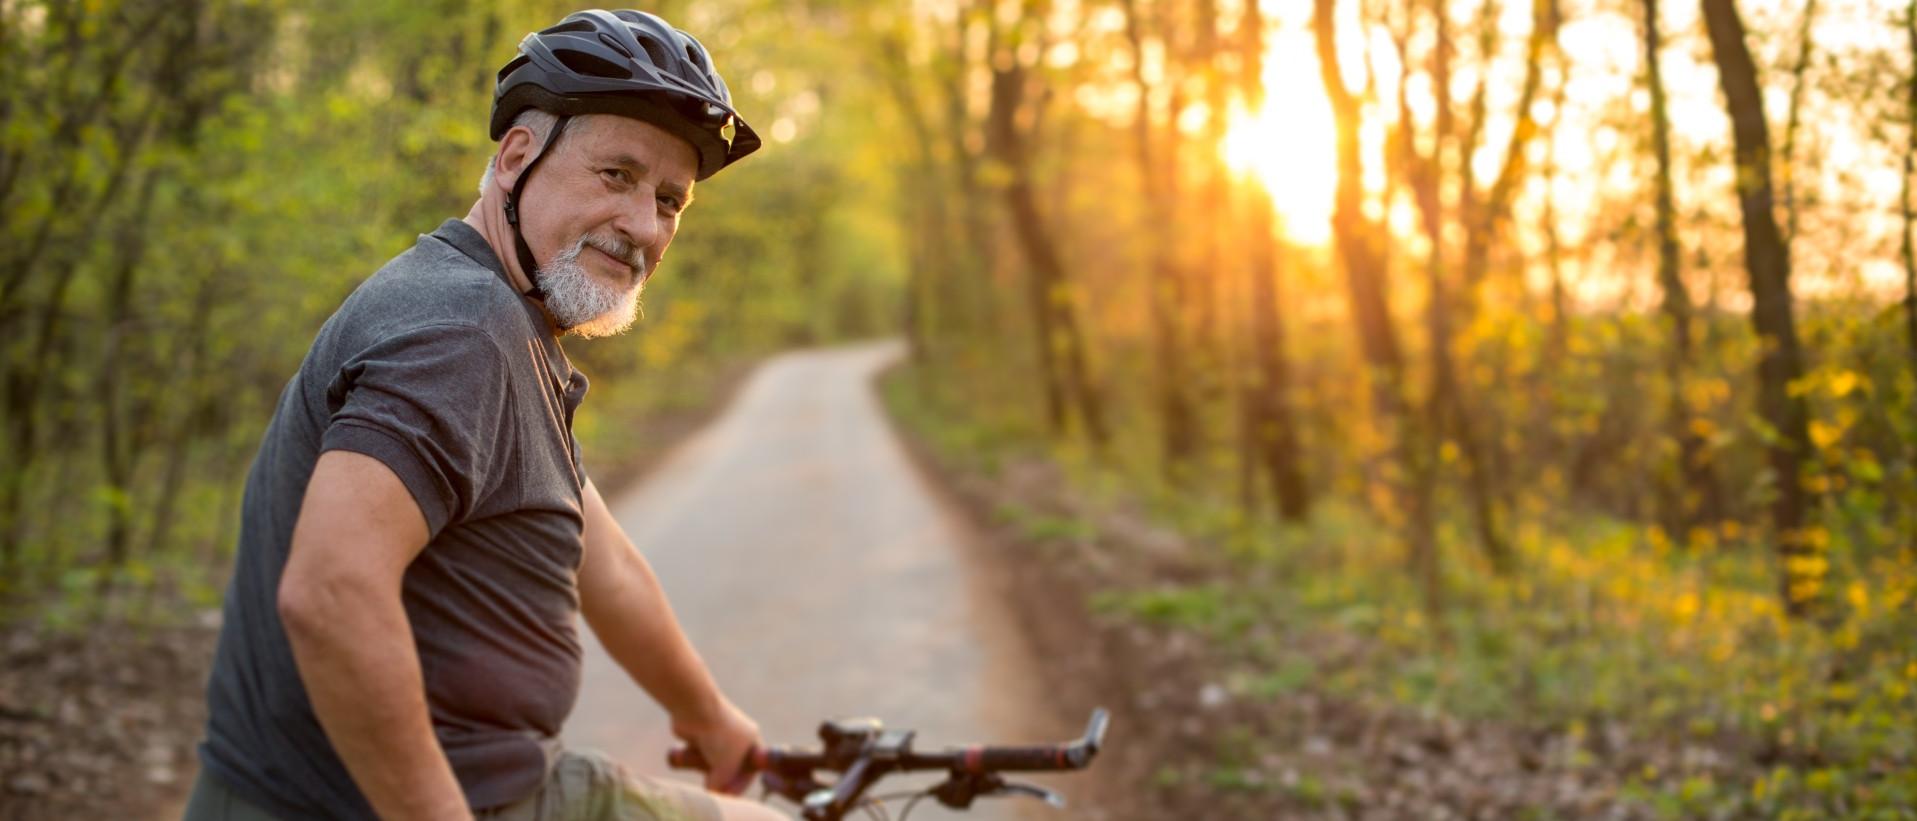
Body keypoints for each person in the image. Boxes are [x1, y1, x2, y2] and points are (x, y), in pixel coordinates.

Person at [186, 10, 780, 820]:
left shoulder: (497, 322)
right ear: (516, 159)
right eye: (616, 174)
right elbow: (330, 593)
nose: (644, 225)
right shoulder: (463, 331)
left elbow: (599, 560)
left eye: (669, 200)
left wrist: (708, 716)